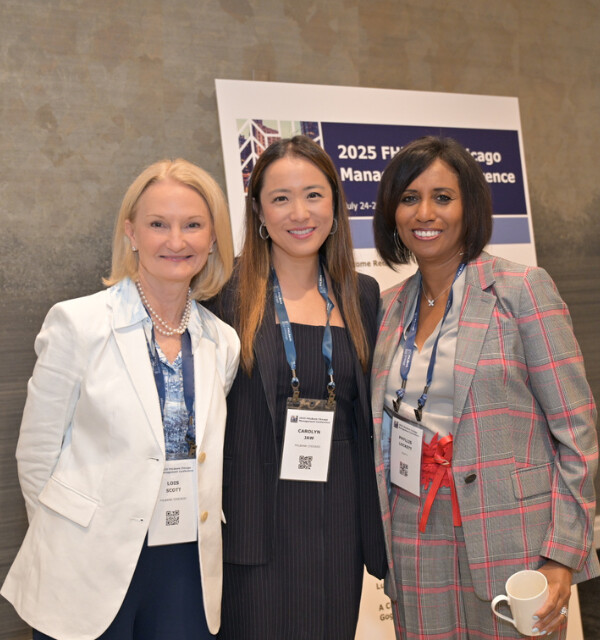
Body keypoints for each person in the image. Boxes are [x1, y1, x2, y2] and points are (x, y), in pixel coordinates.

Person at [1, 159, 240, 640]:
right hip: (86, 563)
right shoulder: (78, 324)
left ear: (214, 238)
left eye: (193, 225)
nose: (176, 241)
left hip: (185, 563)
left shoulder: (222, 341)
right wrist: (64, 543)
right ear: (131, 232)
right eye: (158, 224)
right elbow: (37, 453)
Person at [371, 135, 599, 639]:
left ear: (469, 206)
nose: (424, 213)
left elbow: (577, 430)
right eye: (409, 198)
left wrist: (562, 553)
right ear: (392, 212)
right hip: (413, 535)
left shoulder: (521, 290)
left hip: (515, 539)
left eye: (442, 197)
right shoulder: (386, 308)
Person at [207, 135, 386, 639]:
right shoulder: (223, 294)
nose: (299, 213)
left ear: (335, 205)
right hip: (254, 524)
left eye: (313, 195)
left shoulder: (362, 293)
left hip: (339, 520)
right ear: (259, 212)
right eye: (281, 198)